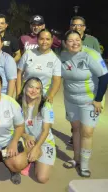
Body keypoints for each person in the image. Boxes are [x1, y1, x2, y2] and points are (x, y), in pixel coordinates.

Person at [61, 30, 108, 177]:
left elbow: (104, 77)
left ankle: (85, 165)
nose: (75, 43)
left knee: (87, 132)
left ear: (81, 39)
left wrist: (98, 99)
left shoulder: (91, 54)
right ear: (65, 43)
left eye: (77, 39)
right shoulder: (63, 55)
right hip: (71, 99)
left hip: (90, 101)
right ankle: (76, 159)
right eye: (70, 40)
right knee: (75, 129)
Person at [17, 77, 56, 183]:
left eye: (37, 88)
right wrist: (25, 136)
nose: (34, 91)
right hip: (26, 139)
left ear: (40, 91)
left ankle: (33, 158)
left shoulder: (46, 106)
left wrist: (36, 148)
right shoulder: (17, 104)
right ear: (24, 88)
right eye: (31, 87)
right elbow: (15, 127)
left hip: (44, 142)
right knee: (15, 162)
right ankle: (29, 159)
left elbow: (46, 131)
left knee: (42, 178)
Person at [17, 29, 61, 103]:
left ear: (52, 41)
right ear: (37, 40)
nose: (44, 42)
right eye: (41, 39)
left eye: (47, 39)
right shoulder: (28, 53)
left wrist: (51, 95)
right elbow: (19, 74)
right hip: (25, 96)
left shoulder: (55, 59)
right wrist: (18, 93)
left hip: (43, 98)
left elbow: (57, 80)